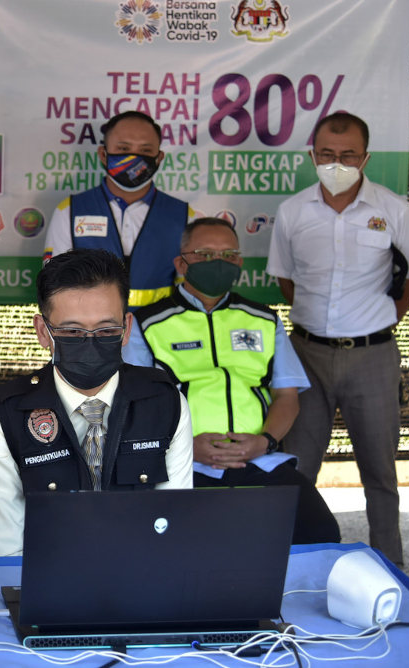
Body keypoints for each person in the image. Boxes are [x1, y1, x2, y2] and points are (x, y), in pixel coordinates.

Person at [267, 112, 409, 566]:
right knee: (298, 469)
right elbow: (285, 279)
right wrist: (320, 325)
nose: (336, 163)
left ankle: (390, 569)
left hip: (373, 355)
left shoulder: (395, 210)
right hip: (307, 355)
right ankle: (293, 567)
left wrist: (379, 322)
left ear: (366, 158)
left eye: (348, 155)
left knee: (380, 473)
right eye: (327, 154)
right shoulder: (293, 211)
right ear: (312, 155)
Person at [125, 218, 340, 544]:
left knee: (320, 532)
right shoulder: (145, 323)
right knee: (192, 546)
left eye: (228, 255)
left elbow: (286, 396)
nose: (218, 263)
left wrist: (265, 442)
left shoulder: (265, 319)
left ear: (239, 263)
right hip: (182, 464)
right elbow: (133, 404)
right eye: (205, 254)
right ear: (181, 263)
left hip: (258, 460)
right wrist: (182, 447)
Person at [0, 248, 194, 557]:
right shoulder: (5, 415)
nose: (90, 341)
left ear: (126, 329)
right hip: (44, 580)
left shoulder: (165, 404)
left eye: (106, 330)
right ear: (43, 332)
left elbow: (171, 529)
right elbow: (5, 553)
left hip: (141, 574)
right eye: (72, 331)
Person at [43, 111, 193, 310]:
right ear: (103, 154)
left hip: (160, 328)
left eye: (146, 150)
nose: (134, 158)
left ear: (159, 158)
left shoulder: (185, 217)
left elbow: (190, 293)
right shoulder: (70, 211)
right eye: (123, 148)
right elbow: (55, 288)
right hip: (92, 328)